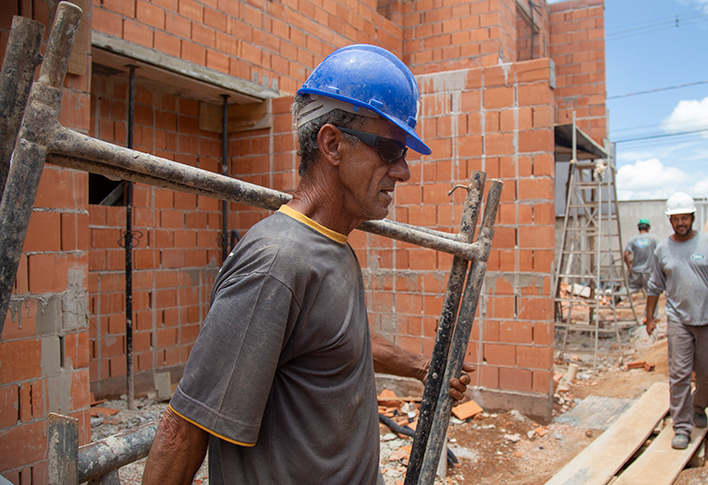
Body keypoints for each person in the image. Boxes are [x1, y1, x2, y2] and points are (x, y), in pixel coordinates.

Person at [142, 44, 473, 484]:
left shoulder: (332, 247)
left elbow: (332, 343)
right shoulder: (277, 262)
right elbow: (184, 427)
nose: (403, 172)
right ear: (332, 143)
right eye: (391, 150)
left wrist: (422, 366)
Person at [644, 192, 708, 451]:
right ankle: (682, 427)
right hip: (678, 321)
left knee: (707, 373)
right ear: (670, 220)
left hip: (707, 320)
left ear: (693, 217)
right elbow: (654, 287)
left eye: (685, 217)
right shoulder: (663, 249)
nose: (681, 222)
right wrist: (650, 318)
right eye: (676, 218)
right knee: (680, 375)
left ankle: (699, 406)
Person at [624, 218, 660, 318]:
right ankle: (651, 317)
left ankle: (615, 299)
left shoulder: (633, 239)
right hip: (649, 271)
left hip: (636, 271)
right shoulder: (654, 239)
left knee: (629, 289)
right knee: (652, 293)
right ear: (648, 228)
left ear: (638, 228)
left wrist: (629, 268)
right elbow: (659, 254)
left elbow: (626, 253)